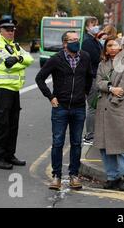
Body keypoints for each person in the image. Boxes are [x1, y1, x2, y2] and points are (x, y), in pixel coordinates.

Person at [35, 31, 93, 190]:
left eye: (77, 39)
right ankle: (57, 176)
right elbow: (39, 78)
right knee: (58, 142)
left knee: (76, 143)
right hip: (60, 107)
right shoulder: (56, 59)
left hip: (79, 107)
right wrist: (51, 97)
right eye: (72, 40)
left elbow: (89, 77)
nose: (76, 42)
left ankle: (74, 175)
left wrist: (86, 93)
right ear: (65, 43)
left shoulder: (85, 57)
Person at [0, 19, 34, 170]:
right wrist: (19, 61)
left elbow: (30, 59)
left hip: (14, 90)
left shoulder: (15, 46)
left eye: (13, 29)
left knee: (13, 125)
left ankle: (9, 155)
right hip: (3, 90)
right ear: (0, 31)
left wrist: (18, 58)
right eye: (7, 29)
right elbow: (7, 67)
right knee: (2, 125)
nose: (11, 32)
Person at [94, 36, 124, 191]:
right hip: (102, 108)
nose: (112, 48)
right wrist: (111, 88)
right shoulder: (102, 64)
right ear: (105, 48)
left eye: (115, 45)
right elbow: (98, 82)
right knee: (104, 145)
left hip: (117, 106)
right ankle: (113, 176)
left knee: (122, 143)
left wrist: (113, 96)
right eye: (109, 45)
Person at [82, 20, 103, 145]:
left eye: (96, 24)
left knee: (95, 107)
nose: (96, 27)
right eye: (93, 25)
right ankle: (89, 136)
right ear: (87, 27)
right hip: (92, 77)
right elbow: (96, 58)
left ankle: (93, 134)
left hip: (97, 76)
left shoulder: (94, 40)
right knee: (92, 107)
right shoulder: (87, 42)